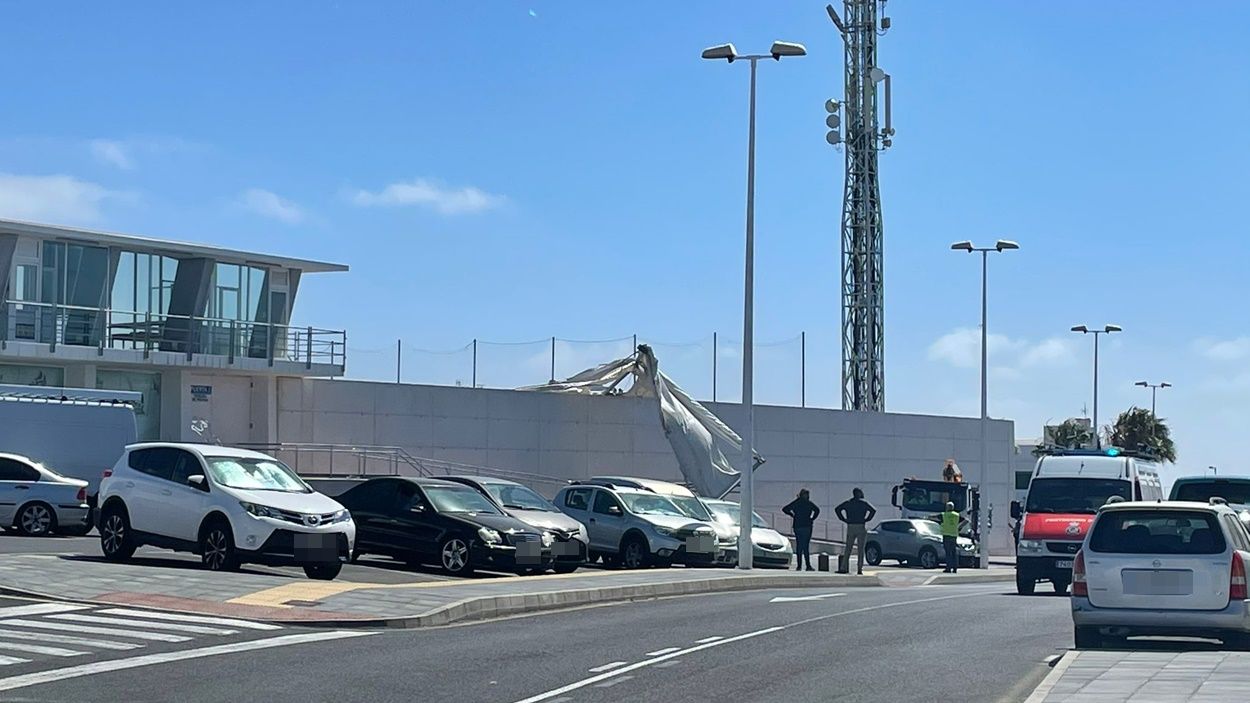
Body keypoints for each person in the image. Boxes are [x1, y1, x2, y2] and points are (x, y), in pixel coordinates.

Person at [836, 488, 876, 575]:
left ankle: (843, 567)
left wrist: (843, 519)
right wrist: (867, 519)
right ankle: (859, 569)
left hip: (850, 525)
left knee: (848, 548)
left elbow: (837, 509)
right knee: (860, 549)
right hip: (861, 525)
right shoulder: (863, 503)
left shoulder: (848, 503)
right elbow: (873, 510)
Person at [782, 489, 820, 571]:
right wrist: (812, 518)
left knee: (799, 545)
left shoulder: (796, 502)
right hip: (807, 525)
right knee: (805, 546)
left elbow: (785, 509)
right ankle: (808, 565)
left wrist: (792, 515)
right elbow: (817, 510)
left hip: (798, 525)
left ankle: (799, 566)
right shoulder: (808, 503)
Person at [941, 501, 961, 573]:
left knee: (948, 553)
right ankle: (955, 568)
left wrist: (928, 517)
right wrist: (959, 527)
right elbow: (966, 520)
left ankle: (948, 568)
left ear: (947, 507)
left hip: (946, 535)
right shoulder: (957, 515)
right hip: (954, 536)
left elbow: (935, 517)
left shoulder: (944, 515)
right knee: (953, 552)